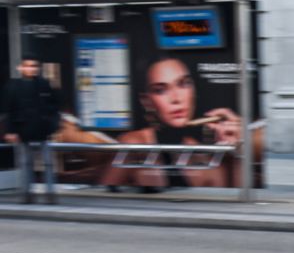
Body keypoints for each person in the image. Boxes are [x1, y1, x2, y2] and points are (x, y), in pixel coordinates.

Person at [100, 56, 259, 190]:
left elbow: (235, 207)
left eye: (183, 84)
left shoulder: (206, 158)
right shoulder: (133, 145)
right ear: (147, 101)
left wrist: (240, 150)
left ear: (194, 91)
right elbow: (101, 198)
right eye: (160, 90)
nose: (176, 98)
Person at [1, 57, 60, 204]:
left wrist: (53, 125)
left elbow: (53, 106)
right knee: (25, 163)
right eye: (27, 66)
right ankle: (27, 194)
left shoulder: (43, 84)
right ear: (20, 68)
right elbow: (8, 111)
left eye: (34, 66)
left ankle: (50, 194)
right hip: (22, 129)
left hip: (42, 129)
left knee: (48, 163)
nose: (31, 69)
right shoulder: (13, 86)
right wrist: (10, 131)